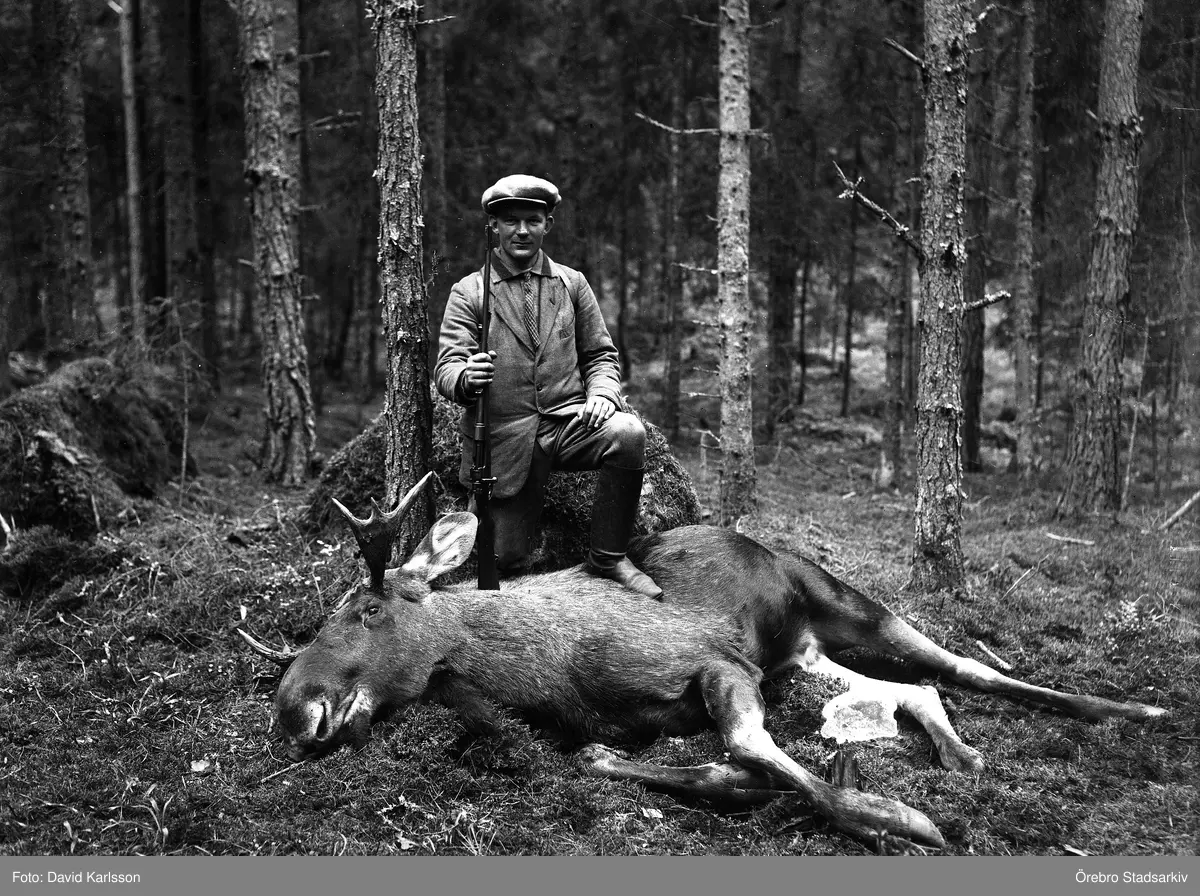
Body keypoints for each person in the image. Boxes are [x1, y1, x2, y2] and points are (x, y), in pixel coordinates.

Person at [434, 174, 662, 599]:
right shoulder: (470, 292)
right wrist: (466, 377)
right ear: (494, 226)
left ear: (548, 225)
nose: (522, 231)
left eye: (533, 221)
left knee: (628, 433)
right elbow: (447, 367)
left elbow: (601, 355)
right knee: (505, 559)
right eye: (511, 221)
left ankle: (609, 559)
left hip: (567, 424)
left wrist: (602, 394)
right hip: (504, 440)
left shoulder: (572, 284)